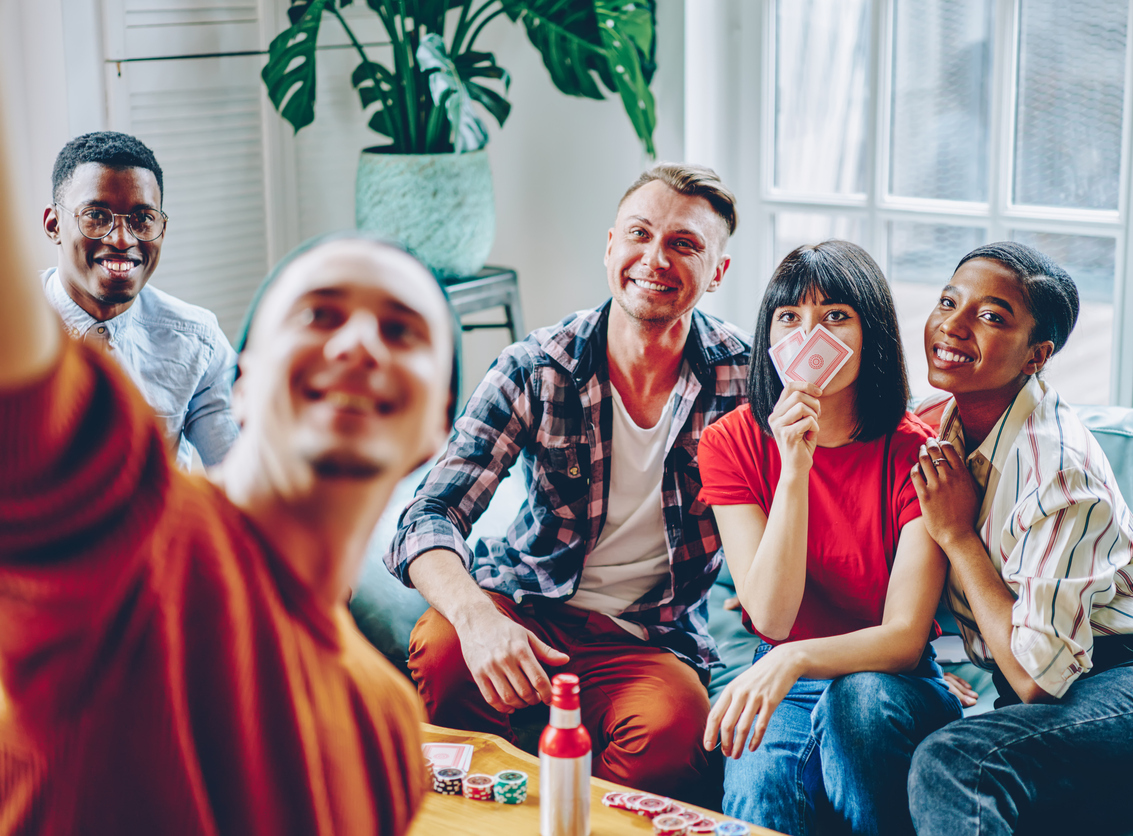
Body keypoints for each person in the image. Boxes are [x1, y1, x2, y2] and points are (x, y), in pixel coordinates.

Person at [1, 90, 458, 833]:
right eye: (321, 314)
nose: (358, 345)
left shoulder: (387, 733)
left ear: (437, 425)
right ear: (243, 380)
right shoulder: (125, 532)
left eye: (403, 331)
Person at [387, 163, 749, 797]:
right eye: (639, 233)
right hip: (525, 606)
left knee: (674, 734)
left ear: (717, 272)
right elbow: (428, 516)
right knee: (445, 650)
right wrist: (477, 618)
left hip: (649, 637)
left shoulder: (746, 380)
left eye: (684, 244)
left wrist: (896, 638)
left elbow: (838, 492)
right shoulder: (537, 366)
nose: (654, 258)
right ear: (611, 246)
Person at [907, 242, 1133, 835]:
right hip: (1054, 707)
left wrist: (957, 535)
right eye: (949, 301)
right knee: (880, 729)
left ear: (1037, 355)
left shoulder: (1057, 466)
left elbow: (1034, 677)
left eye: (991, 315)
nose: (951, 325)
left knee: (957, 760)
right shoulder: (936, 426)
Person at [697, 240, 963, 836]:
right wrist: (795, 469)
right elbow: (770, 615)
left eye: (836, 316)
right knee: (759, 793)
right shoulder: (730, 442)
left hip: (891, 682)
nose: (810, 336)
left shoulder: (917, 451)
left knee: (858, 703)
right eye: (790, 317)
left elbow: (903, 638)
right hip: (786, 676)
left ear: (873, 334)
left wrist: (793, 658)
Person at [41, 131, 238, 468]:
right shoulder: (13, 334)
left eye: (142, 220)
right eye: (96, 216)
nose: (121, 239)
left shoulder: (197, 343)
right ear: (54, 224)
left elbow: (241, 478)